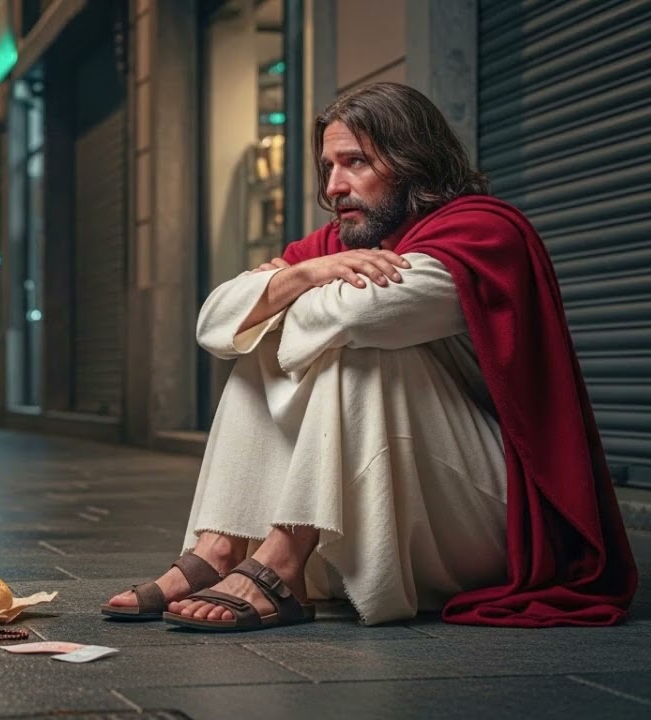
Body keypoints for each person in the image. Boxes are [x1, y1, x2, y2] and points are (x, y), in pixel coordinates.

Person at [102, 82, 637, 632]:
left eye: (354, 162)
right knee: (258, 347)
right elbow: (214, 323)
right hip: (394, 497)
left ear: (412, 162)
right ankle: (219, 549)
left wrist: (279, 290)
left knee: (354, 351)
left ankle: (283, 560)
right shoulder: (339, 245)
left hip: (492, 514)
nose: (334, 186)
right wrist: (307, 274)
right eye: (328, 166)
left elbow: (358, 318)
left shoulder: (481, 230)